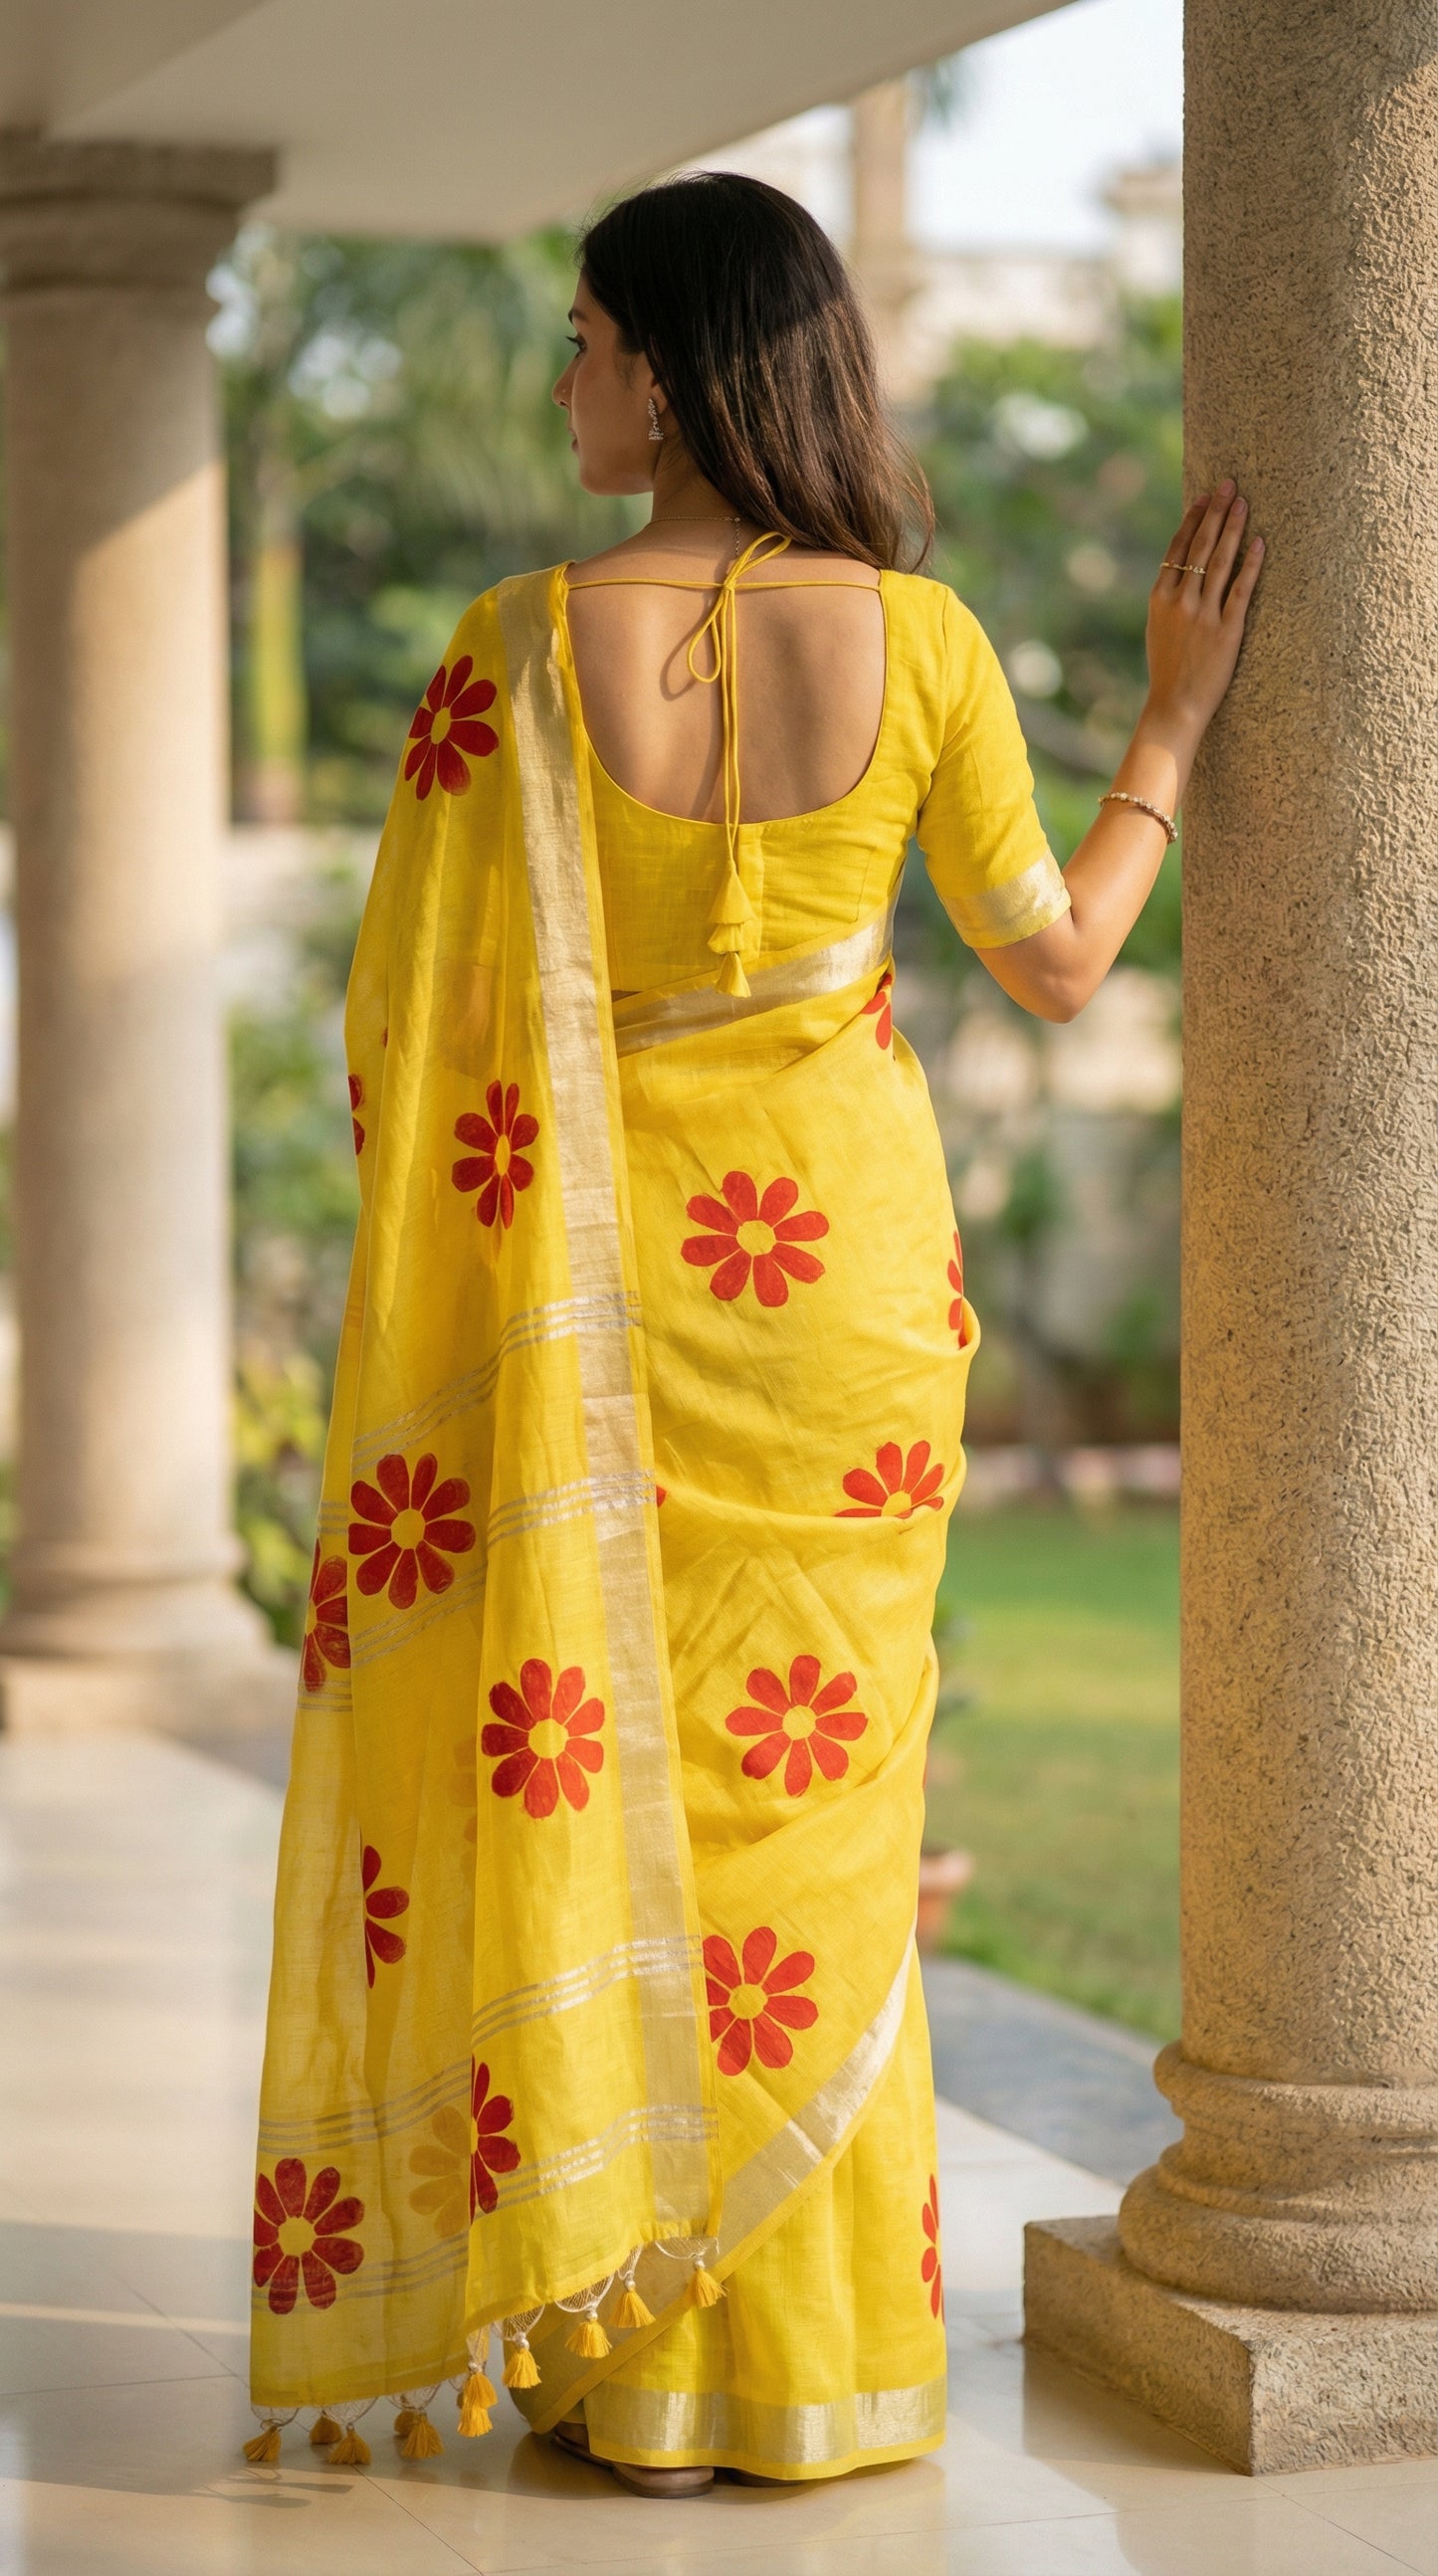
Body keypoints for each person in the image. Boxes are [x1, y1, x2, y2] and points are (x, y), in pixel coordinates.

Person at [247, 172, 1262, 2496]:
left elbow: (397, 1042)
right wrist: (1177, 722)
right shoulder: (928, 647)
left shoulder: (509, 650)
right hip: (852, 1314)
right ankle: (799, 2367)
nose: (574, 375)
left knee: (603, 1779)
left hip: (592, 1318)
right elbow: (1060, 951)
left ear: (689, 364)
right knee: (825, 1803)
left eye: (597, 334)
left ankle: (622, 2344)